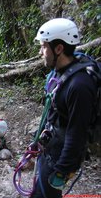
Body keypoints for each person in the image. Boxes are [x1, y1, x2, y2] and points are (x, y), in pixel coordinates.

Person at [31, 18, 97, 198]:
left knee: (46, 191)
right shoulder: (57, 74)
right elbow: (50, 110)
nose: (41, 52)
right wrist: (38, 140)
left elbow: (77, 132)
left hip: (60, 156)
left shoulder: (80, 86)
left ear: (58, 48)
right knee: (38, 192)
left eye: (44, 46)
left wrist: (62, 170)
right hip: (50, 145)